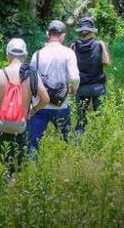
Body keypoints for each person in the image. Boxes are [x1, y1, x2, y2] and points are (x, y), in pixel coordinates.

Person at [0, 38, 49, 179]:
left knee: (7, 162)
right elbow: (46, 99)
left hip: (1, 125)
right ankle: (15, 190)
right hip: (22, 125)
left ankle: (7, 185)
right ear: (24, 55)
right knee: (20, 164)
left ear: (7, 54)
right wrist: (33, 110)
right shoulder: (31, 74)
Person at [28, 20, 80, 157]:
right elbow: (74, 77)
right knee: (65, 140)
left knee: (33, 143)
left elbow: (32, 80)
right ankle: (64, 167)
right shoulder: (68, 53)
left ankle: (31, 170)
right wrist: (73, 89)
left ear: (47, 34)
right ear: (63, 35)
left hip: (39, 105)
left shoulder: (36, 54)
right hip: (60, 105)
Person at [70, 17, 111, 135]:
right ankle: (100, 137)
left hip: (81, 86)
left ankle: (79, 138)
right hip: (98, 86)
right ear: (92, 30)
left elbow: (70, 67)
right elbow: (107, 62)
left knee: (81, 116)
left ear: (80, 31)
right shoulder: (99, 44)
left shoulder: (73, 46)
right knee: (99, 115)